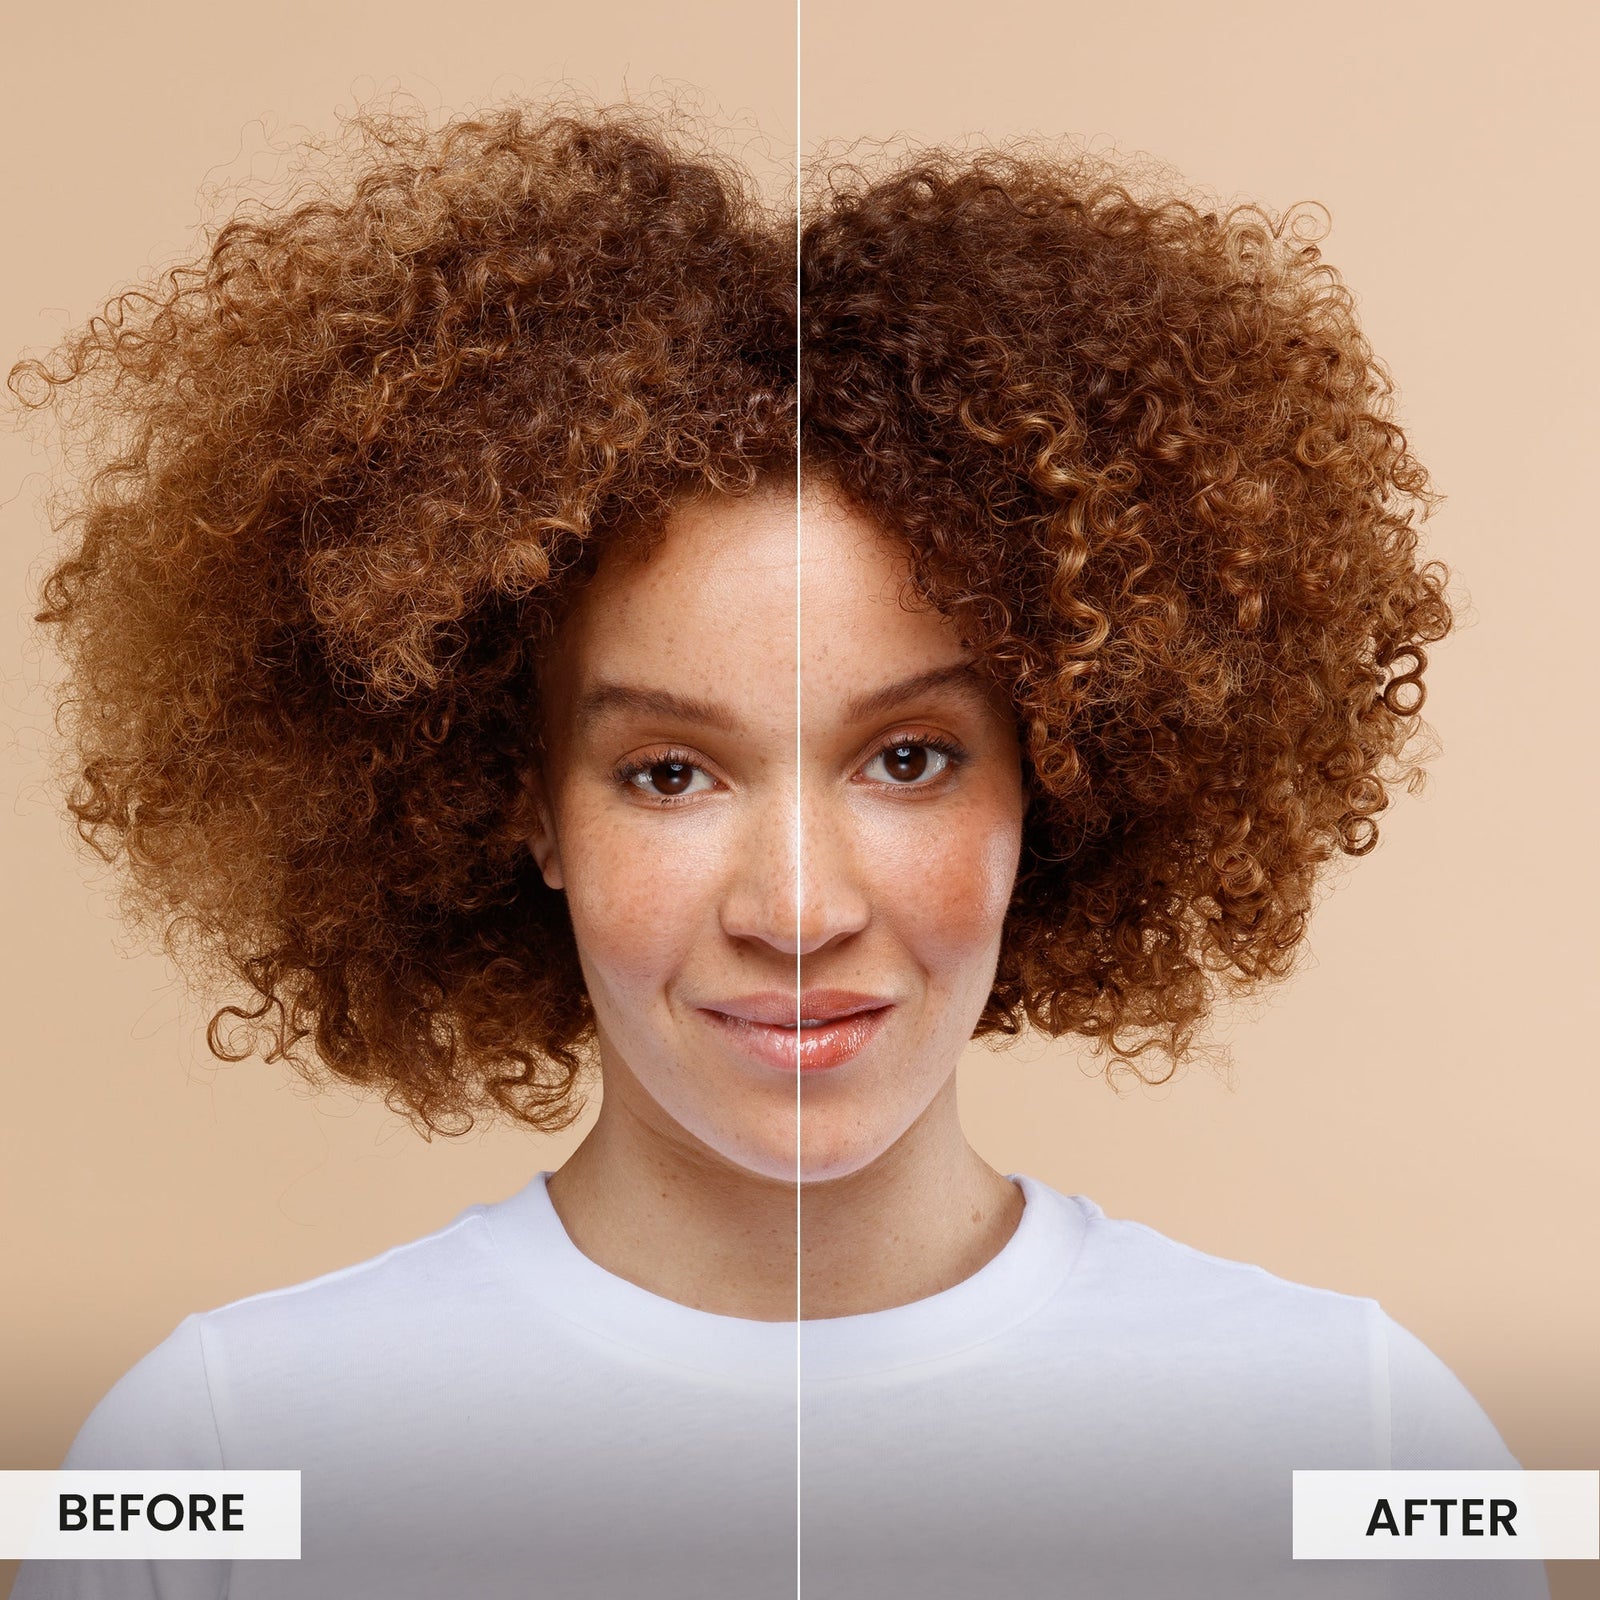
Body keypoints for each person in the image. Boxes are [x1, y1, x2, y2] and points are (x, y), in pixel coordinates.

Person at [8, 103, 1547, 1599]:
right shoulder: (226, 1455)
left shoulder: (1350, 1439)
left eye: (908, 758)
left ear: (1057, 774)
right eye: (669, 773)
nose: (797, 909)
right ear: (526, 801)